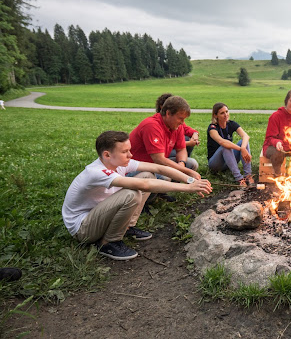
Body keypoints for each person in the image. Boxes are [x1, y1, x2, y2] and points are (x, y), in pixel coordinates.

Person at [62, 131, 212, 261]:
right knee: (131, 193)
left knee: (147, 175)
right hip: (83, 229)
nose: (130, 155)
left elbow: (158, 167)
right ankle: (108, 243)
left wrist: (190, 179)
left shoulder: (119, 162)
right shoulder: (97, 172)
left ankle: (126, 227)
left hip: (99, 215)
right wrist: (188, 188)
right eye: (125, 152)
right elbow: (144, 186)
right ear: (107, 155)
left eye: (129, 150)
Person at [207, 102, 253, 187]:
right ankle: (239, 179)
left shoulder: (231, 124)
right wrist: (241, 149)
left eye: (227, 112)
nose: (226, 115)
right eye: (222, 113)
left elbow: (245, 136)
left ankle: (248, 175)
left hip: (229, 160)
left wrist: (243, 147)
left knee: (244, 142)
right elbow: (222, 142)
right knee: (225, 146)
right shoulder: (212, 128)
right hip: (216, 164)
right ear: (215, 115)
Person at [155, 93, 200, 163]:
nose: (182, 122)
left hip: (168, 153)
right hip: (159, 157)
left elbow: (186, 129)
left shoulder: (176, 122)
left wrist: (195, 134)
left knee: (192, 163)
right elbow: (163, 148)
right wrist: (189, 143)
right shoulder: (155, 125)